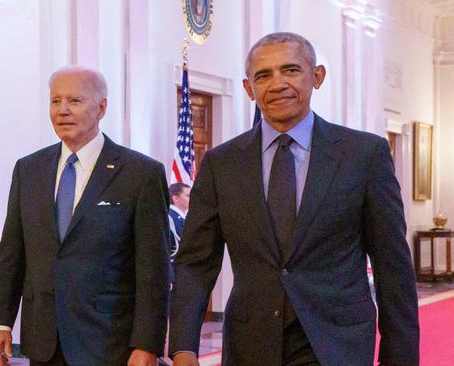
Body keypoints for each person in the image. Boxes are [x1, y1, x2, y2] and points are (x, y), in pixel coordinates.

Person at [168, 32, 419, 366]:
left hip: (335, 344)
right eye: (263, 75)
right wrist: (183, 347)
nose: (277, 83)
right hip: (251, 344)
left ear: (317, 77)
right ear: (248, 89)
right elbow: (196, 262)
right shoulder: (222, 163)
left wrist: (399, 358)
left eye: (291, 70)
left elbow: (393, 267)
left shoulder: (363, 155)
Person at [0, 66, 170, 366]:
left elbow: (153, 269)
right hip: (44, 340)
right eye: (55, 101)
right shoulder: (29, 169)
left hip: (109, 341)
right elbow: (12, 254)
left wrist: (147, 344)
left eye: (74, 101)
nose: (62, 111)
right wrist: (0, 323)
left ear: (101, 107)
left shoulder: (140, 173)